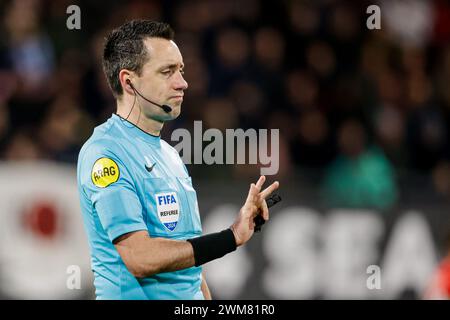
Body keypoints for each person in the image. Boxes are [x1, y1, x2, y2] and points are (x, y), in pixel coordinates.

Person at [76, 20, 279, 300]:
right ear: (129, 82)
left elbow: (188, 268)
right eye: (167, 71)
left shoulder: (170, 155)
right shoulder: (105, 154)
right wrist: (231, 237)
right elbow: (140, 258)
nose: (182, 83)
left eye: (180, 70)